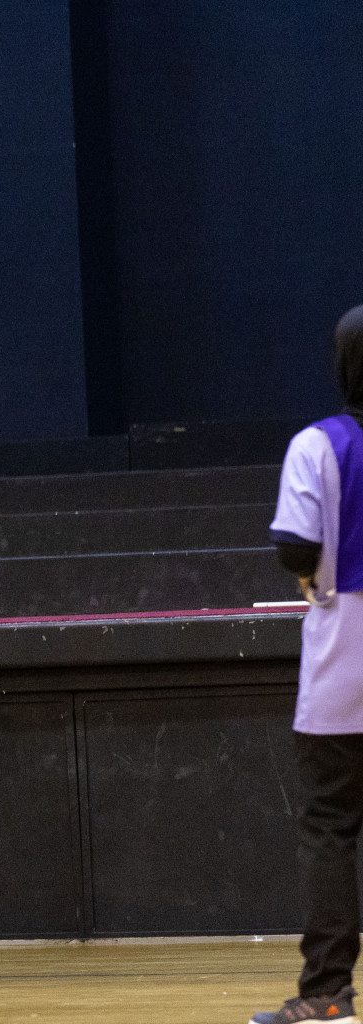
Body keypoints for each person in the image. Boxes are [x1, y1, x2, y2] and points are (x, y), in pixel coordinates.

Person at [250, 305, 363, 1024]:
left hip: (344, 665)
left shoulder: (318, 445)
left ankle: (326, 996)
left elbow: (295, 546)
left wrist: (311, 570)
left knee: (330, 827)